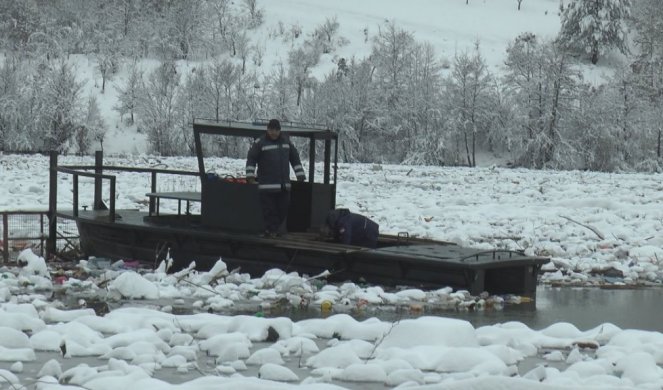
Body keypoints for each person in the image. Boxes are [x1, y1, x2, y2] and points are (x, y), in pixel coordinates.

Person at [246, 119, 306, 237]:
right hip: (266, 186)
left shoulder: (286, 142)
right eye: (271, 130)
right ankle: (271, 231)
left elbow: (294, 158)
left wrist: (300, 174)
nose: (274, 132)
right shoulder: (260, 142)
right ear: (267, 129)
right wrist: (250, 175)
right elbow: (251, 159)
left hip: (283, 186)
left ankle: (273, 230)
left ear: (280, 130)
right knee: (270, 211)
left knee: (283, 208)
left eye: (276, 130)